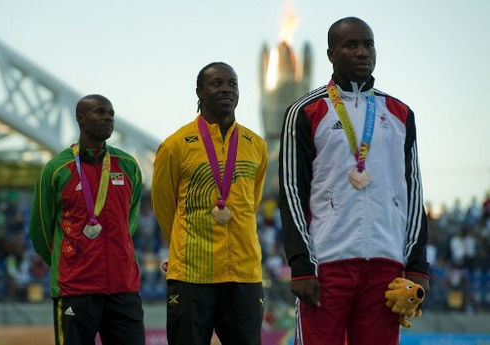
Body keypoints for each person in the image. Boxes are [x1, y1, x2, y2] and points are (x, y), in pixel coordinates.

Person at [278, 17, 429, 345]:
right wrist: (302, 265)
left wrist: (417, 264)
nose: (363, 52)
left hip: (387, 263)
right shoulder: (306, 110)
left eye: (368, 44)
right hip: (327, 261)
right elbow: (291, 190)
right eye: (352, 45)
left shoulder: (400, 113)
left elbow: (414, 192)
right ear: (332, 54)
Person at [151, 62, 268, 345]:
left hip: (244, 272)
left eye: (232, 84)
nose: (226, 89)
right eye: (217, 83)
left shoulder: (256, 145)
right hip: (192, 274)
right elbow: (164, 206)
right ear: (199, 92)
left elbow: (252, 202)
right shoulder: (175, 145)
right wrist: (182, 243)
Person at [29, 94, 145, 345]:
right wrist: (70, 260)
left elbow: (129, 222)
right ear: (80, 119)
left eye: (111, 113)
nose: (108, 118)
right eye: (100, 112)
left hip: (123, 288)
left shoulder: (128, 165)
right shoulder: (57, 169)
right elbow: (40, 230)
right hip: (76, 289)